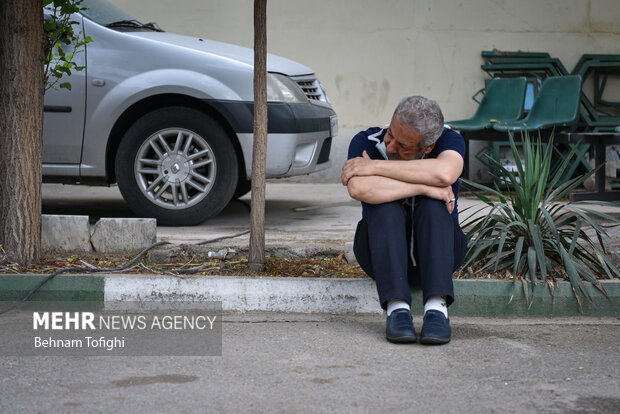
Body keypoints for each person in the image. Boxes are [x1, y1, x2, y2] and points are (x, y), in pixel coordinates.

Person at [342, 96, 467, 345]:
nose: (389, 148)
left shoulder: (448, 140)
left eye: (403, 147)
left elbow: (444, 172)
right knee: (386, 206)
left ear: (428, 149)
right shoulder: (365, 140)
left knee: (434, 207)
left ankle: (437, 309)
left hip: (441, 255)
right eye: (391, 135)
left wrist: (373, 167)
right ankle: (397, 308)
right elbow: (359, 188)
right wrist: (429, 187)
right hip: (378, 257)